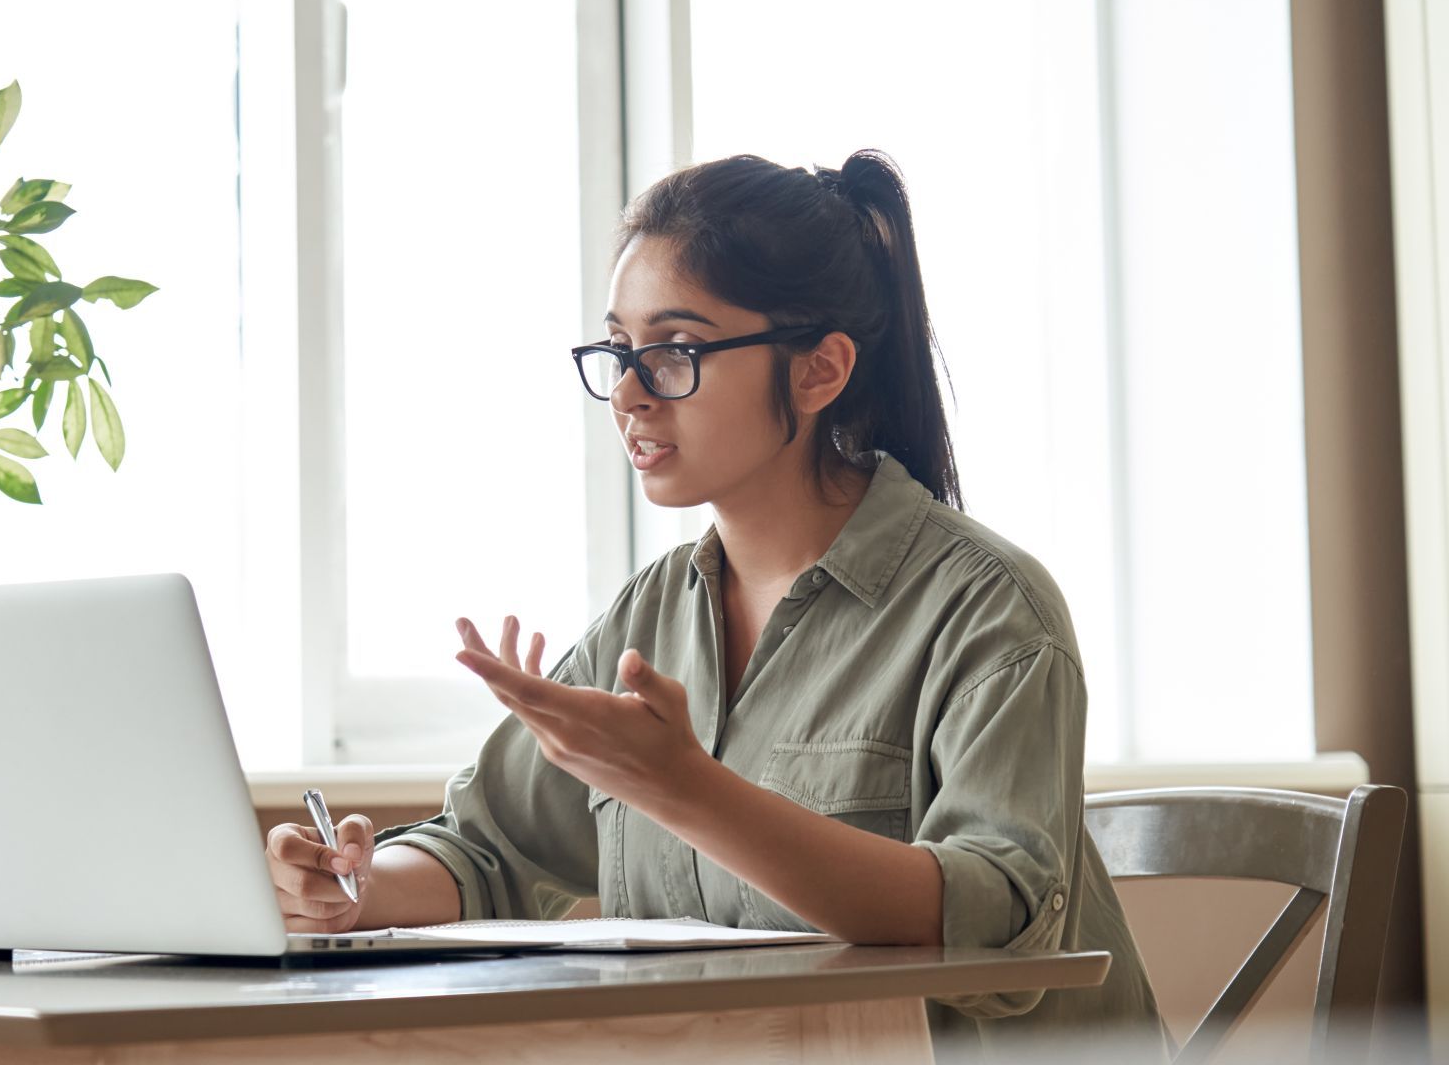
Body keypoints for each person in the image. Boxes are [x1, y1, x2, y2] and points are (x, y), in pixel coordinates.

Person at [264, 151, 1169, 1059]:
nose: (627, 393)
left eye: (674, 353)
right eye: (618, 351)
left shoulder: (990, 612)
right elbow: (488, 848)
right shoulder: (650, 618)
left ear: (819, 371)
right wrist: (358, 888)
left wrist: (685, 788)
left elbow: (1000, 936)